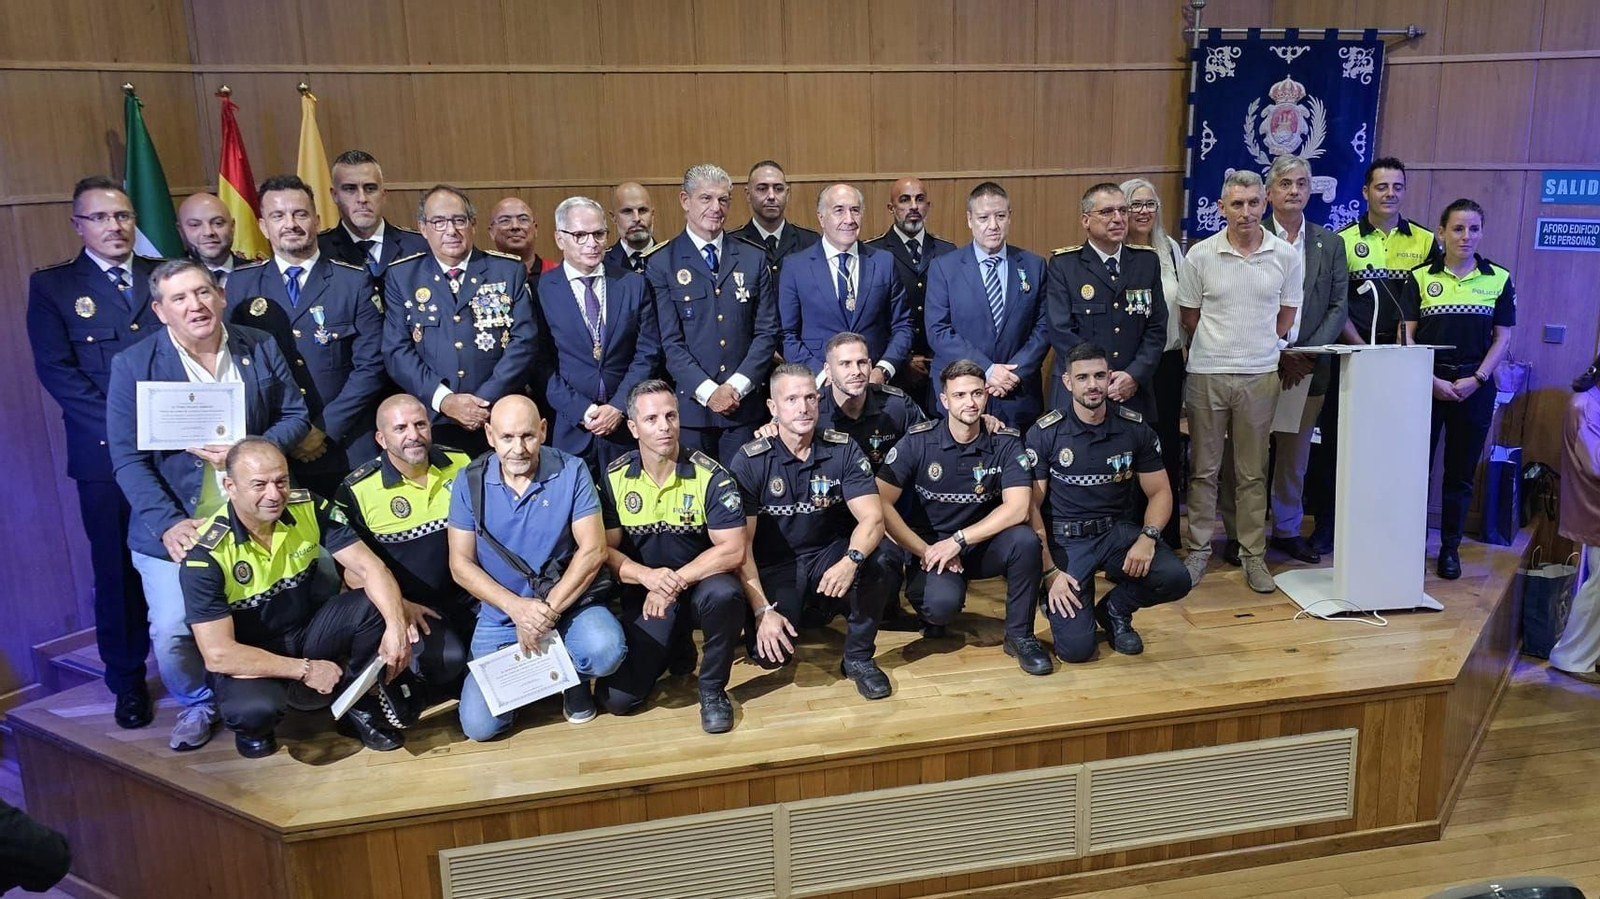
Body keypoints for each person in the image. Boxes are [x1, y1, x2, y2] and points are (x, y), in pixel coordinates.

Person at [106, 260, 311, 751]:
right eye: (179, 299)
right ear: (160, 311)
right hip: (179, 523)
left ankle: (278, 685)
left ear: (220, 295)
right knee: (175, 629)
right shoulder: (133, 365)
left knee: (317, 578)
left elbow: (295, 414)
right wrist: (167, 523)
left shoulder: (257, 345)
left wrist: (250, 445)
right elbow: (127, 459)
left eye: (202, 293)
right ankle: (198, 701)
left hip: (256, 513)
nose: (195, 305)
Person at [26, 176, 162, 729]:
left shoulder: (164, 277)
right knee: (117, 571)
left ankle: (207, 671)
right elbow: (58, 373)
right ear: (78, 224)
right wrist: (128, 432)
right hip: (105, 460)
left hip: (174, 455)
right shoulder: (55, 287)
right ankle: (127, 682)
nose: (115, 226)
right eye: (101, 218)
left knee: (196, 566)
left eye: (124, 216)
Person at [182, 438, 418, 758]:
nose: (274, 494)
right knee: (253, 712)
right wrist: (305, 670)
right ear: (230, 486)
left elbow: (369, 566)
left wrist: (395, 626)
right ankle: (260, 727)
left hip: (305, 630)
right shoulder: (205, 555)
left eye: (281, 481)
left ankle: (357, 703)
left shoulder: (307, 506)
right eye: (259, 484)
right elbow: (218, 655)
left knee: (373, 605)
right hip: (251, 655)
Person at [447, 396, 626, 738]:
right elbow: (460, 564)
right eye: (507, 438)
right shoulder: (468, 481)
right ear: (489, 436)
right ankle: (536, 681)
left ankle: (571, 678)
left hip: (566, 604)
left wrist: (543, 615)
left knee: (605, 649)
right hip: (501, 613)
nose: (519, 448)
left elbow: (593, 550)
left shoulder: (572, 471)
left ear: (543, 430)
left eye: (528, 436)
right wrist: (517, 609)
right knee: (479, 727)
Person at [726, 364, 896, 699]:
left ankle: (859, 657)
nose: (803, 407)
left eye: (809, 398)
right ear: (773, 408)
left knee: (884, 557)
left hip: (827, 556)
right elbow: (740, 547)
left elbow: (873, 519)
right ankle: (796, 614)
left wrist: (851, 560)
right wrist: (762, 611)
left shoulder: (842, 448)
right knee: (771, 657)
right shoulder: (750, 461)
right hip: (775, 565)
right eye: (791, 399)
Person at [1217, 157, 1349, 566]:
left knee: (1294, 457)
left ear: (1311, 190)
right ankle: (1241, 534)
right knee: (1245, 457)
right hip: (1253, 365)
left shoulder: (1331, 244)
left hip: (1309, 369)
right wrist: (1276, 353)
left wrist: (1303, 354)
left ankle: (1288, 530)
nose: (1294, 191)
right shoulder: (1247, 238)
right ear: (1268, 194)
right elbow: (1232, 306)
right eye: (1285, 184)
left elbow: (1337, 306)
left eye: (1302, 183)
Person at [877, 360, 1049, 675]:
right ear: (944, 401)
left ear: (986, 397)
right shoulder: (918, 441)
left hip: (981, 544)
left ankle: (1020, 636)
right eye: (959, 395)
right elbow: (880, 501)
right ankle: (932, 615)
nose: (969, 402)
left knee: (1025, 541)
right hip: (933, 550)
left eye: (976, 394)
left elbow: (1019, 507)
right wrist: (925, 550)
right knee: (939, 608)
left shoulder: (1005, 442)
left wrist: (960, 541)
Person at [592, 382, 747, 733]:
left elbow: (734, 549)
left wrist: (672, 583)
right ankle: (676, 648)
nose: (664, 426)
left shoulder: (711, 475)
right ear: (633, 428)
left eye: (670, 416)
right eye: (651, 419)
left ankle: (712, 690)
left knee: (726, 594)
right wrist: (647, 578)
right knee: (617, 700)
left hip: (698, 590)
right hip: (646, 597)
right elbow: (603, 551)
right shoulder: (615, 478)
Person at [1178, 170, 1302, 594]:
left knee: (1252, 472)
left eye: (1253, 203)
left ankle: (1253, 555)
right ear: (1221, 208)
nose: (1245, 212)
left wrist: (1258, 346)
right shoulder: (1200, 255)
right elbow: (1190, 318)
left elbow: (1286, 317)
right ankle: (1197, 551)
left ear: (1264, 204)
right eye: (1236, 204)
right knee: (1203, 469)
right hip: (1208, 374)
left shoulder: (1285, 255)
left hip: (1260, 375)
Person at [1028, 343, 1191, 662]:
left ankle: (1115, 610)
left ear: (1110, 378)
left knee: (1175, 578)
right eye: (1083, 377)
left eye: (1100, 375)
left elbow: (1160, 492)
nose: (1092, 384)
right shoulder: (1045, 433)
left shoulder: (1133, 427)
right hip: (1067, 540)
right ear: (1067, 382)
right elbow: (1030, 506)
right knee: (1076, 651)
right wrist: (1049, 572)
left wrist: (1148, 538)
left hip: (1116, 534)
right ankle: (1052, 599)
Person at [226, 175, 388, 494]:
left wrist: (323, 429)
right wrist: (285, 435)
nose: (291, 223)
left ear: (316, 219)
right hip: (269, 450)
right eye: (278, 216)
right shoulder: (240, 285)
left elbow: (371, 365)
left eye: (300, 214)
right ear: (262, 226)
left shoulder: (353, 282)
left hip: (345, 446)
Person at [1312, 158, 1440, 554]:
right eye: (1381, 187)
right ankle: (1326, 526)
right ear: (1365, 192)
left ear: (1405, 191)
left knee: (1396, 447)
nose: (1390, 194)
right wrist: (1361, 348)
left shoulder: (1424, 241)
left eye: (1397, 186)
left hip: (1404, 361)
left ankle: (1388, 527)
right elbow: (1337, 303)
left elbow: (1424, 303)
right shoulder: (1342, 240)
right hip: (1352, 357)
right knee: (1336, 445)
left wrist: (1401, 349)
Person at [1401, 198, 1516, 579]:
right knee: (1415, 470)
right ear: (1441, 232)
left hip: (1475, 387)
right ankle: (1408, 546)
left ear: (1481, 232)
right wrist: (1428, 380)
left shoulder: (1498, 278)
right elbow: (1406, 335)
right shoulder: (1420, 277)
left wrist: (1478, 378)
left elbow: (1502, 338)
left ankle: (1449, 550)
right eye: (1458, 229)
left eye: (1474, 229)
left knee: (1460, 475)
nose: (1466, 236)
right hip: (1426, 384)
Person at [337, 395, 477, 699]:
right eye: (400, 428)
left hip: (469, 594)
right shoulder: (357, 490)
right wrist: (398, 607)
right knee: (446, 662)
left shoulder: (462, 463)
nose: (413, 435)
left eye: (420, 424)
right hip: (413, 606)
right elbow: (351, 575)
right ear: (381, 438)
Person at [383, 184, 538, 456]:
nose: (451, 230)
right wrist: (445, 401)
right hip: (433, 420)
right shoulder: (402, 276)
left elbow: (524, 343)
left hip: (498, 418)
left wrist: (482, 402)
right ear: (423, 227)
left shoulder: (507, 270)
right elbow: (397, 351)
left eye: (458, 220)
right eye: (439, 222)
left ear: (473, 224)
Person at [647, 163, 779, 462]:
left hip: (744, 409)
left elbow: (766, 332)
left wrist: (736, 387)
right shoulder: (663, 263)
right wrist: (710, 392)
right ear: (685, 200)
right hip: (693, 412)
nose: (716, 208)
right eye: (706, 198)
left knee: (744, 498)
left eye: (723, 199)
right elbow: (670, 342)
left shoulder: (752, 257)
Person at [536, 196, 661, 475]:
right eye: (580, 235)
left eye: (599, 234)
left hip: (625, 426)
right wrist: (584, 411)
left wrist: (618, 406)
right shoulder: (541, 289)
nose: (591, 243)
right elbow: (539, 364)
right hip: (569, 426)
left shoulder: (632, 283)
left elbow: (647, 352)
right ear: (559, 239)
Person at [927, 180, 1050, 430]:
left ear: (1009, 217)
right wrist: (988, 369)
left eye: (1000, 216)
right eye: (983, 218)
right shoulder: (944, 267)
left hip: (1017, 393)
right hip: (961, 395)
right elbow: (938, 331)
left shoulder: (1033, 265)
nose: (993, 226)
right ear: (969, 220)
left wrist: (1012, 374)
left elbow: (1044, 326)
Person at [1046, 183, 1166, 422]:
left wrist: (1133, 375)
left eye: (1123, 210)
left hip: (1132, 390)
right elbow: (1061, 330)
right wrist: (1098, 379)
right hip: (1080, 394)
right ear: (1085, 220)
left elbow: (1156, 328)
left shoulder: (1146, 262)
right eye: (1107, 212)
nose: (1118, 218)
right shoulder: (1065, 266)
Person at [779, 183, 911, 380]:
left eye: (855, 210)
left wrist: (883, 369)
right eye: (839, 210)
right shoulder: (796, 267)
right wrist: (823, 375)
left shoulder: (883, 262)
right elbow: (786, 334)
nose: (849, 219)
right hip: (820, 388)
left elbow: (903, 325)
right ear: (821, 218)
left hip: (873, 384)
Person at [1121, 178, 1188, 548]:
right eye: (1135, 204)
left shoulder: (1172, 251)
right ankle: (1129, 534)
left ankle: (1165, 534)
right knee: (1129, 450)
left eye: (1149, 204)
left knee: (1165, 447)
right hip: (1128, 368)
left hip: (1167, 364)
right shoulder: (1117, 252)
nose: (1144, 211)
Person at [866, 177, 958, 411]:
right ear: (891, 208)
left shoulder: (948, 251)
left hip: (940, 367)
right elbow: (872, 316)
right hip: (891, 369)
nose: (914, 206)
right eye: (905, 200)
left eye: (920, 199)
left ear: (928, 205)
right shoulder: (872, 252)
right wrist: (902, 361)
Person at [1549, 355, 1600, 683]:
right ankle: (1571, 657)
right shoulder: (1584, 405)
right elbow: (1595, 466)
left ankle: (1584, 656)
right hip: (1595, 506)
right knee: (1598, 587)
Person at [317, 149, 429, 279]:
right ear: (335, 195)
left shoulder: (419, 246)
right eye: (350, 189)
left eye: (370, 188)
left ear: (383, 194)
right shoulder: (319, 250)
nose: (362, 199)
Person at [729, 160, 820, 278]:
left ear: (787, 194)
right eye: (762, 189)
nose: (771, 196)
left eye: (778, 189)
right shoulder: (732, 243)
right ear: (748, 194)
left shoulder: (810, 241)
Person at [177, 192, 248, 287]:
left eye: (218, 223)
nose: (208, 232)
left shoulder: (258, 274)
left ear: (232, 227)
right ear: (180, 230)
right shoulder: (164, 278)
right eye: (195, 225)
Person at [488, 197, 560, 280]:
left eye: (523, 219)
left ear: (535, 229)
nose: (515, 226)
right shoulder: (482, 278)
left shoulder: (559, 274)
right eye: (505, 220)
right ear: (492, 232)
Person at [603, 181, 660, 273]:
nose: (637, 218)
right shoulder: (602, 263)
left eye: (642, 210)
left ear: (652, 215)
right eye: (627, 211)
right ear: (613, 217)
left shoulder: (672, 259)